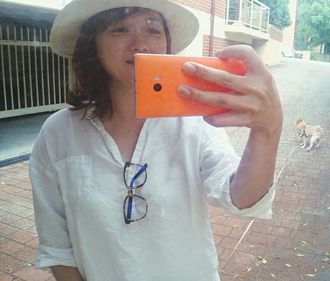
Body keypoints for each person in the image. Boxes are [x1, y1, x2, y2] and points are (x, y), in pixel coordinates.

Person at [29, 0, 282, 280]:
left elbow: (242, 199)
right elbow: (57, 247)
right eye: (119, 29)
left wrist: (268, 129)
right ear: (93, 44)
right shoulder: (58, 133)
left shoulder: (194, 122)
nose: (140, 44)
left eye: (152, 30)